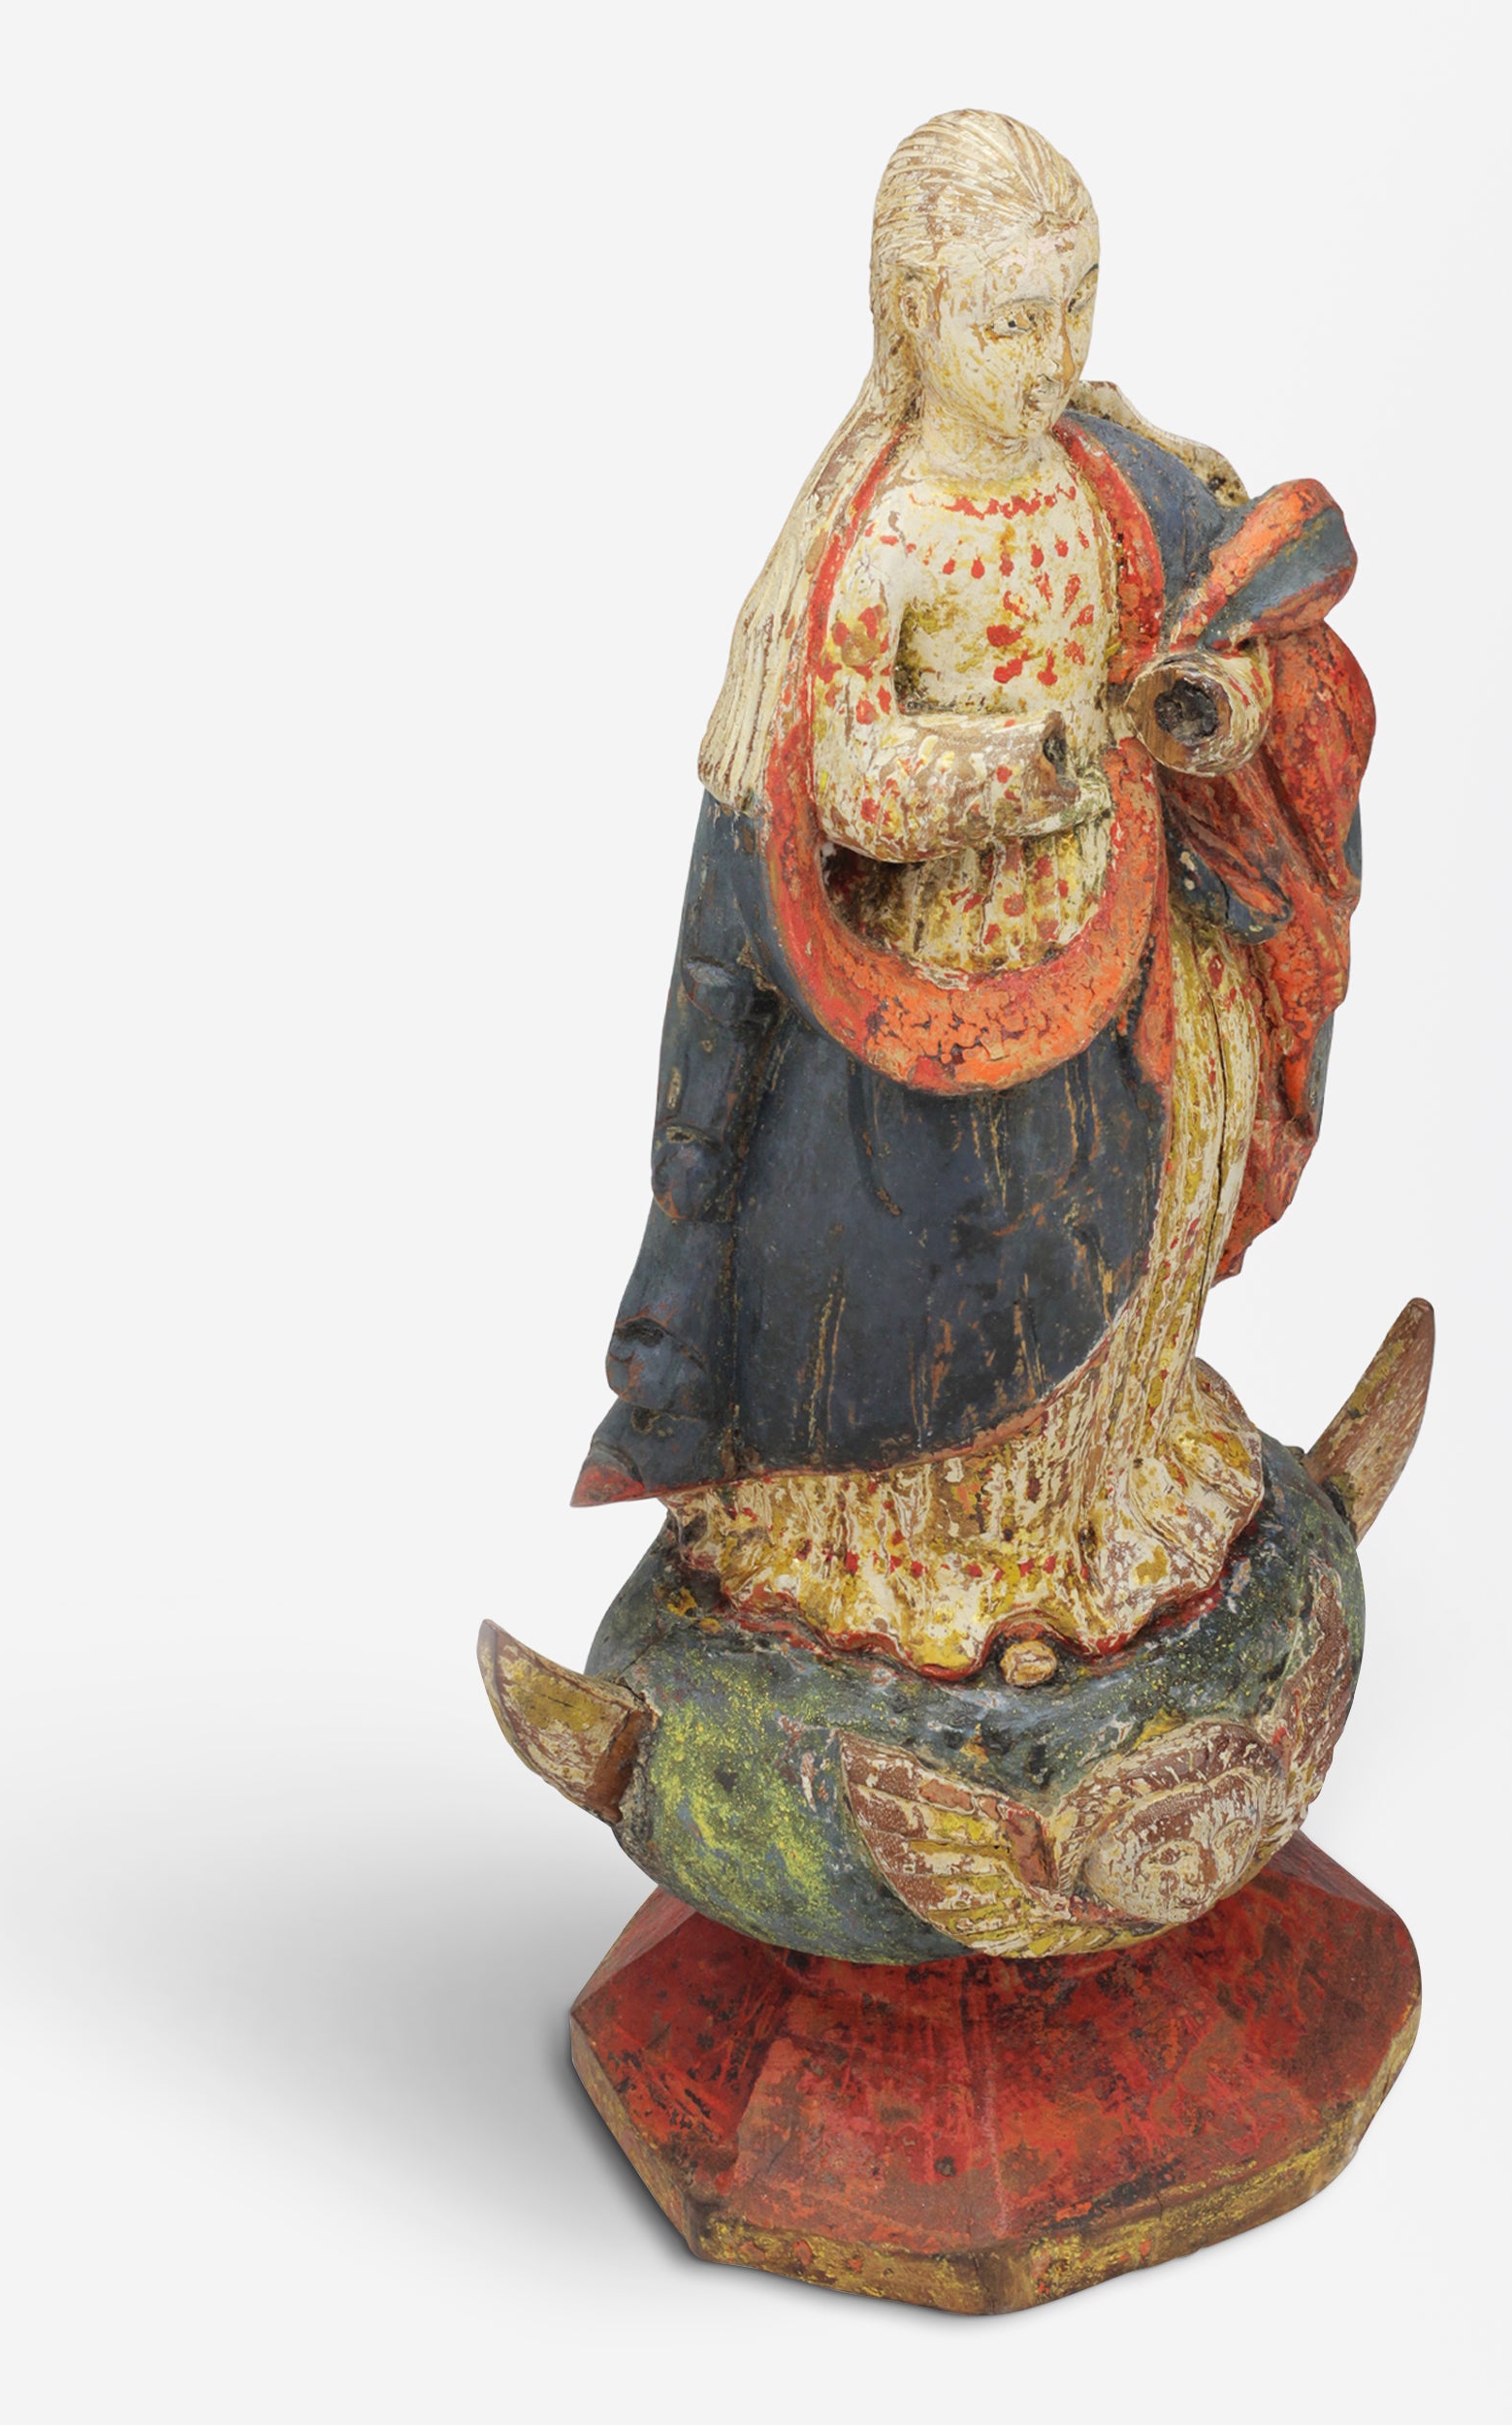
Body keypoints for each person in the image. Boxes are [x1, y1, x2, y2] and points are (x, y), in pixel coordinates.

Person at [573, 110, 1372, 1679]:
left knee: (1153, 1212)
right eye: (1010, 322)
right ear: (912, 314)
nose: (1051, 353)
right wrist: (1030, 762)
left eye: (1077, 304)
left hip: (1134, 946)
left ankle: (1108, 1491)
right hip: (943, 988)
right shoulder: (884, 538)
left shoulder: (1114, 472)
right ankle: (935, 1556)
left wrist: (1228, 700)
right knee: (968, 1269)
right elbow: (845, 774)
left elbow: (1236, 609)